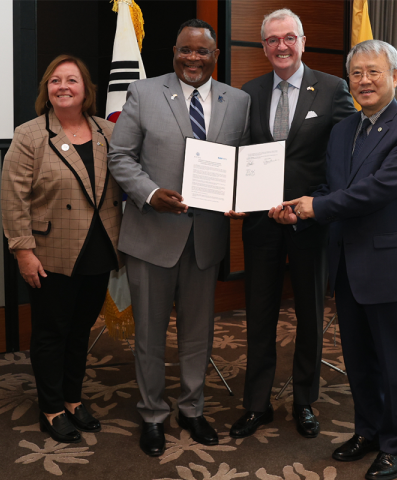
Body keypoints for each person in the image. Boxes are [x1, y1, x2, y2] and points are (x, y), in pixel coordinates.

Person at [269, 40, 397, 480]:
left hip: (390, 265)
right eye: (356, 73)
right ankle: (368, 431)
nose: (364, 80)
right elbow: (332, 188)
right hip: (346, 264)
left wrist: (316, 207)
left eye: (374, 72)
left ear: (395, 76)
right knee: (359, 359)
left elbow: (377, 190)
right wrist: (296, 210)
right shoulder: (343, 129)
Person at [107, 19, 250, 457]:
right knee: (149, 334)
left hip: (205, 237)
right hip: (152, 234)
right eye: (185, 50)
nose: (193, 58)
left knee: (198, 333)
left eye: (202, 51)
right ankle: (152, 413)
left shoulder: (238, 101)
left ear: (215, 56)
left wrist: (241, 195)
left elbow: (241, 163)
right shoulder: (144, 92)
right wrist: (150, 193)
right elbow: (121, 156)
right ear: (173, 51)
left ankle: (192, 408)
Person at [227, 8, 357, 440]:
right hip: (262, 224)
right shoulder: (250, 92)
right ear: (263, 47)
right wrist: (239, 197)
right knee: (259, 314)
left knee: (309, 314)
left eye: (288, 38)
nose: (280, 46)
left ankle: (304, 400)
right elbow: (243, 154)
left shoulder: (334, 89)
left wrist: (310, 204)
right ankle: (257, 404)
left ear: (302, 41)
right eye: (272, 40)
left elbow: (341, 160)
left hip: (311, 222)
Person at [1, 55, 121, 444]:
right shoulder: (30, 134)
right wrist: (23, 250)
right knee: (52, 332)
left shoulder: (107, 132)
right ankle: (51, 408)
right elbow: (13, 198)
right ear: (46, 91)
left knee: (80, 331)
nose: (63, 86)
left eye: (72, 80)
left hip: (99, 249)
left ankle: (72, 399)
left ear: (86, 89)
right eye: (55, 80)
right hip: (50, 253)